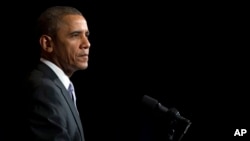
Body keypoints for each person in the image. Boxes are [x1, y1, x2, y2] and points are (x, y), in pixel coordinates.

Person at [21, 5, 90, 141]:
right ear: (47, 44)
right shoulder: (43, 90)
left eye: (86, 35)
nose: (87, 43)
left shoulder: (57, 85)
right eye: (75, 35)